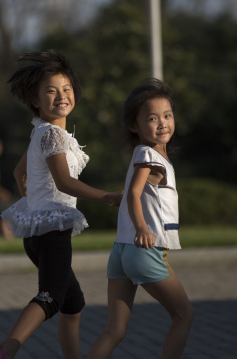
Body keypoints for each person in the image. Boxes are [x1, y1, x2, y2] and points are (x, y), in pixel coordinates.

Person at [0, 50, 122, 359]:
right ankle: (5, 350)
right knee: (50, 299)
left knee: (73, 304)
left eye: (67, 88)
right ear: (35, 99)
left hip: (37, 231)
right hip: (52, 232)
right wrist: (107, 196)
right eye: (51, 91)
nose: (61, 95)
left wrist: (33, 199)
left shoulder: (41, 133)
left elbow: (20, 172)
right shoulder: (53, 136)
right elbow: (64, 182)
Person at [87, 79, 194, 359]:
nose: (162, 123)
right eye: (152, 118)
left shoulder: (142, 154)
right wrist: (142, 227)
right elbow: (136, 194)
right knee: (184, 315)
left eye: (167, 116)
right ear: (134, 126)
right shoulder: (149, 155)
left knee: (115, 330)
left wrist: (118, 195)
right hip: (145, 250)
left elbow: (138, 192)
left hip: (121, 252)